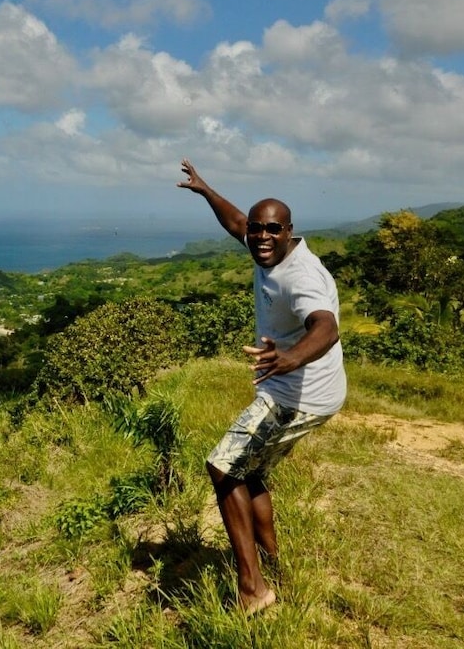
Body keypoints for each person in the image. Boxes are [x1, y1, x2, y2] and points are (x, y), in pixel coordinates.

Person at [177, 158, 347, 615]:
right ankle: (273, 563)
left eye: (272, 230)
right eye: (257, 229)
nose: (261, 237)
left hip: (298, 397)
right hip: (301, 392)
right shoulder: (263, 245)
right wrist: (206, 190)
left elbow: (326, 327)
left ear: (290, 232)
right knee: (249, 472)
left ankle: (253, 589)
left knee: (223, 468)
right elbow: (236, 221)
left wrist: (290, 358)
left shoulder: (301, 275)